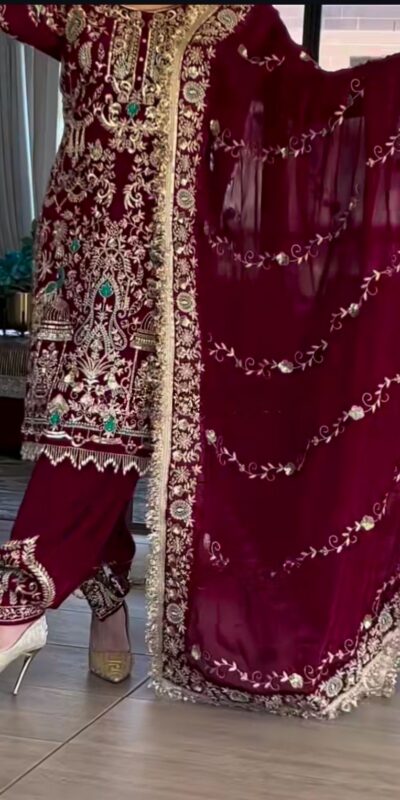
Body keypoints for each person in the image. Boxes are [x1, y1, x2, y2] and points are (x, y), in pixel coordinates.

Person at [0, 4, 400, 719]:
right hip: (80, 266)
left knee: (99, 434)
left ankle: (18, 600)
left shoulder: (232, 22)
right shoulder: (78, 10)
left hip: (178, 286)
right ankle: (106, 607)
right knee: (81, 438)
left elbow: (308, 114)